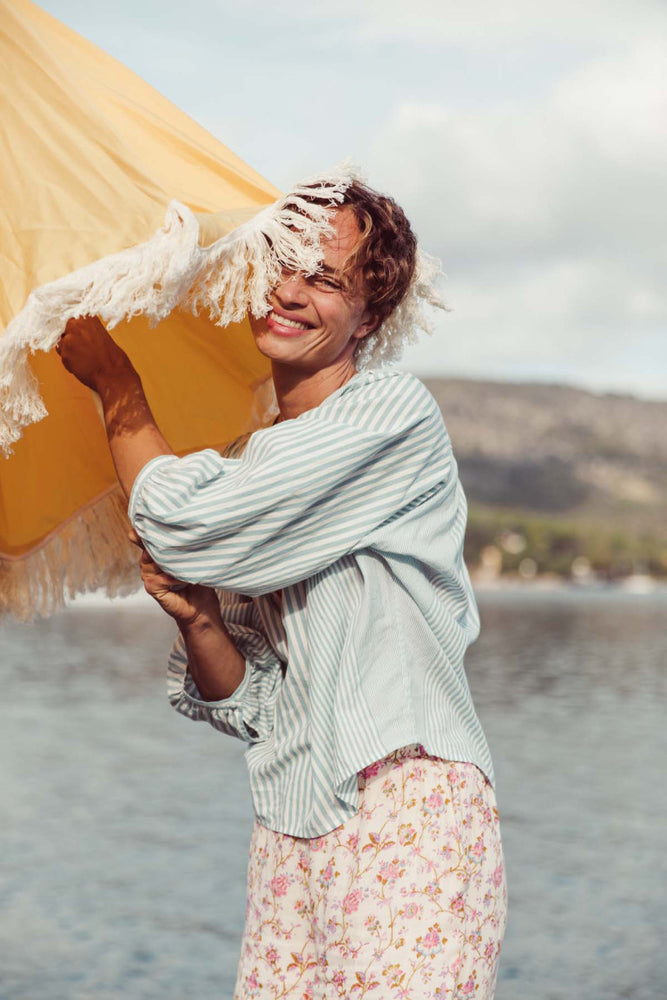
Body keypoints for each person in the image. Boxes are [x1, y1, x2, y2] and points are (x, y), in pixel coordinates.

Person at [57, 177, 507, 999]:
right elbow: (255, 703)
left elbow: (184, 524)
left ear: (369, 318)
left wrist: (119, 386)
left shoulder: (390, 415)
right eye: (284, 264)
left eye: (326, 279)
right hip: (289, 824)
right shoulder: (256, 457)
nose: (292, 292)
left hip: (402, 803)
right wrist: (199, 621)